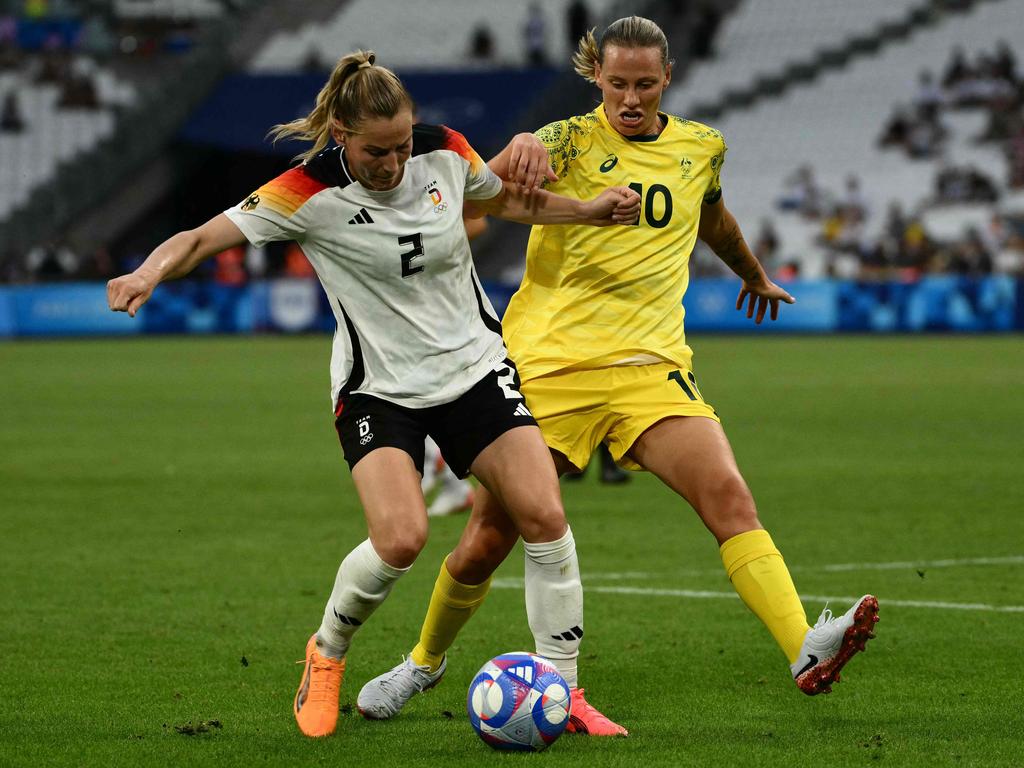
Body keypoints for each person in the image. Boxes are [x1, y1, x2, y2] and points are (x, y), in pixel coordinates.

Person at [359, 16, 879, 734]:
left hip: (649, 365)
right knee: (488, 536)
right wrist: (515, 149)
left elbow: (713, 216)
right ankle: (422, 662)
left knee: (727, 493)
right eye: (616, 83)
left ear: (666, 80)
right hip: (549, 367)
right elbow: (504, 168)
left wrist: (754, 275)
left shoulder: (702, 147)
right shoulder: (569, 139)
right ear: (595, 78)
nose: (629, 98)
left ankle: (803, 647)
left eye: (643, 84)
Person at [106, 49, 641, 739]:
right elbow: (201, 237)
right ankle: (326, 653)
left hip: (474, 369)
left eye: (400, 146)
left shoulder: (443, 149)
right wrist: (147, 272)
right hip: (379, 387)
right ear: (341, 139)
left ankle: (563, 693)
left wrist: (589, 212)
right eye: (375, 152)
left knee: (545, 516)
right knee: (401, 538)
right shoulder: (305, 191)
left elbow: (500, 198)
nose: (392, 164)